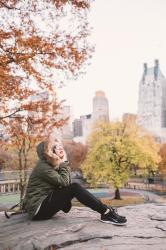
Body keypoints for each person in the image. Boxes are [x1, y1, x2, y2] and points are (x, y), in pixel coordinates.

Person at [23, 134, 127, 226]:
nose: (60, 148)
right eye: (55, 147)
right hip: (38, 210)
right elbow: (66, 183)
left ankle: (106, 210)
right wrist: (64, 163)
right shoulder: (43, 167)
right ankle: (106, 212)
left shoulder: (52, 165)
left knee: (73, 187)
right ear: (49, 152)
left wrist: (63, 163)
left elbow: (65, 183)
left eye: (60, 146)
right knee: (75, 187)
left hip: (42, 206)